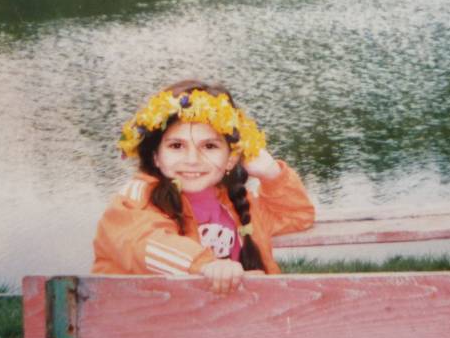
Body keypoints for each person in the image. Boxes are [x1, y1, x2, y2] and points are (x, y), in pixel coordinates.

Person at [92, 80, 315, 293]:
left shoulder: (239, 203)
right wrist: (207, 265)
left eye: (209, 146)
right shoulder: (136, 198)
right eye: (176, 146)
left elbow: (296, 216)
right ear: (156, 156)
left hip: (236, 314)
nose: (192, 160)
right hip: (152, 316)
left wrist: (272, 174)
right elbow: (143, 245)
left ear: (231, 159)